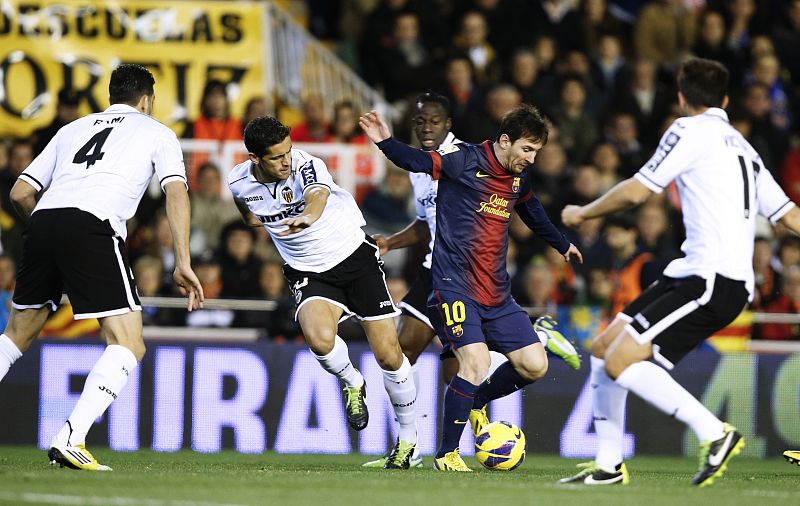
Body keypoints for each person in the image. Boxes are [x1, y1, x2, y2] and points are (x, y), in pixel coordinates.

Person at [558, 57, 800, 487]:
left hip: (711, 279)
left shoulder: (688, 129)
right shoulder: (744, 147)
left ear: (682, 97)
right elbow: (789, 215)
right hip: (692, 273)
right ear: (725, 99)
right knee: (603, 349)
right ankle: (608, 466)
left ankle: (715, 432)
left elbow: (637, 190)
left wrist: (582, 212)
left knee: (620, 361)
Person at [0, 64, 204, 471]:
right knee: (128, 343)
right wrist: (182, 260)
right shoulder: (157, 132)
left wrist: (48, 231)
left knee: (16, 336)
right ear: (146, 100)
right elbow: (176, 193)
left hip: (43, 221)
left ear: (112, 96)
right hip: (92, 225)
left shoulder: (72, 129)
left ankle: (71, 438)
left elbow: (21, 192)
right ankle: (72, 438)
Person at [360, 104, 582, 472]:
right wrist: (385, 140)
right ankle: (446, 454)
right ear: (506, 141)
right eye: (527, 149)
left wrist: (560, 243)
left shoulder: (517, 178)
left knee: (534, 365)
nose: (531, 158)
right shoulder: (463, 160)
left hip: (496, 293)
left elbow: (531, 210)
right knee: (474, 362)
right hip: (453, 287)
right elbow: (416, 160)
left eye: (537, 152)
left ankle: (475, 401)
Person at [227, 115, 417, 469]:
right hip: (308, 270)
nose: (287, 160)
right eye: (276, 157)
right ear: (254, 158)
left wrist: (308, 217)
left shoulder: (306, 166)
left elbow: (317, 195)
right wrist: (257, 221)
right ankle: (352, 381)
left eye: (288, 151)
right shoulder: (238, 182)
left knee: (390, 356)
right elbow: (248, 214)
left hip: (354, 260)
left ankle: (408, 442)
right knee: (318, 338)